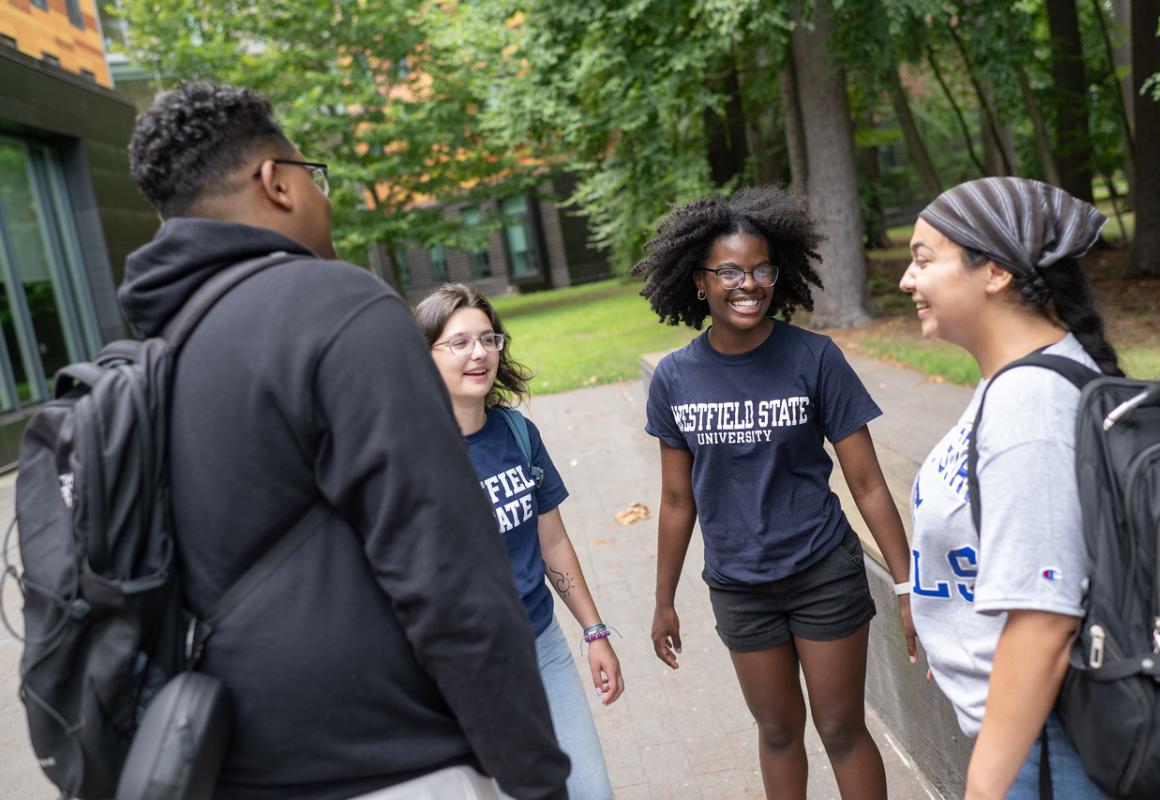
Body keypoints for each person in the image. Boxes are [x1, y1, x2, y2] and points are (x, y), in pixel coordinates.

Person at [121, 82, 569, 800]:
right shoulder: (340, 307)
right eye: (313, 176)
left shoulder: (159, 351)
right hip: (395, 765)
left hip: (235, 765)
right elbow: (448, 574)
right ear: (276, 182)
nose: (322, 199)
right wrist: (536, 776)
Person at [632, 187, 915, 799]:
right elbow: (678, 501)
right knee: (778, 730)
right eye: (729, 271)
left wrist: (905, 583)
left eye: (761, 268)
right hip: (739, 583)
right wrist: (663, 600)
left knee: (840, 728)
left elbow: (866, 481)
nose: (749, 284)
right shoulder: (676, 378)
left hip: (821, 570)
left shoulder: (814, 357)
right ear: (699, 282)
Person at [899, 177, 1118, 800]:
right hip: (1035, 738)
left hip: (1046, 746)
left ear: (993, 272)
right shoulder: (1014, 382)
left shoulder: (1032, 403)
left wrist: (984, 788)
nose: (906, 281)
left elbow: (1044, 624)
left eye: (923, 260)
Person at [413, 283, 623, 800]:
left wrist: (594, 632)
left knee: (592, 792)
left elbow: (552, 542)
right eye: (458, 342)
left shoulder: (517, 433)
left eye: (488, 339)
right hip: (472, 666)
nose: (479, 353)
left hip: (544, 643)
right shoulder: (414, 457)